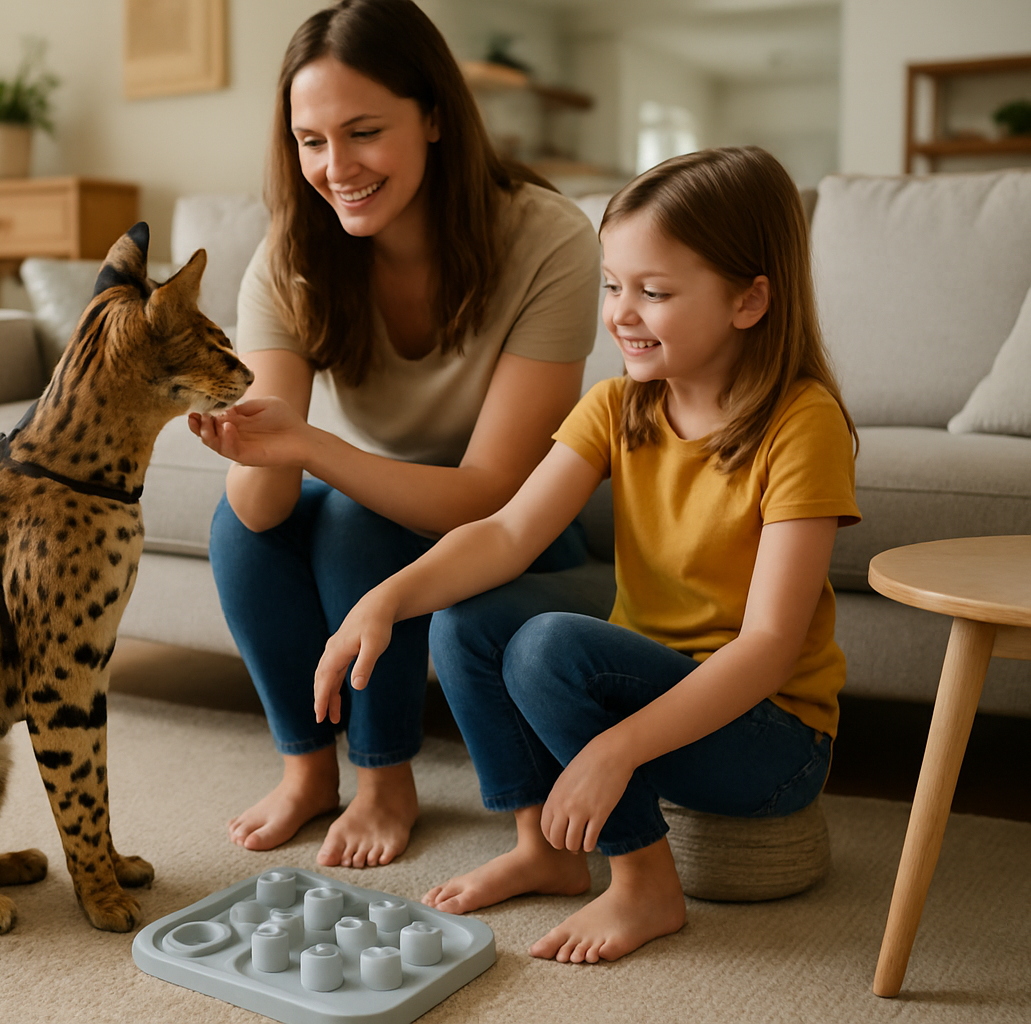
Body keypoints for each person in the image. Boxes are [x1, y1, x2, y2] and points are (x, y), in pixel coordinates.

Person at [314, 145, 860, 962]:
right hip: (655, 685)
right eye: (614, 285)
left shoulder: (801, 423)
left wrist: (617, 746)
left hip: (774, 737)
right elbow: (505, 535)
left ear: (749, 301)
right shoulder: (617, 408)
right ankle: (546, 847)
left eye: (655, 291)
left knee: (548, 648)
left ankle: (644, 886)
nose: (621, 313)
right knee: (466, 619)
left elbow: (769, 647)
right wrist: (385, 600)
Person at [188, 0, 606, 870]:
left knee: (348, 514)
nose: (335, 167)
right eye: (310, 141)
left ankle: (383, 779)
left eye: (364, 131)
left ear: (436, 118)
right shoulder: (292, 258)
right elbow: (261, 510)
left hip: (521, 528)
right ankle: (308, 770)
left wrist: (310, 447)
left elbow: (495, 488)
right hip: (387, 503)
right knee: (241, 523)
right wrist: (255, 442)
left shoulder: (547, 238)